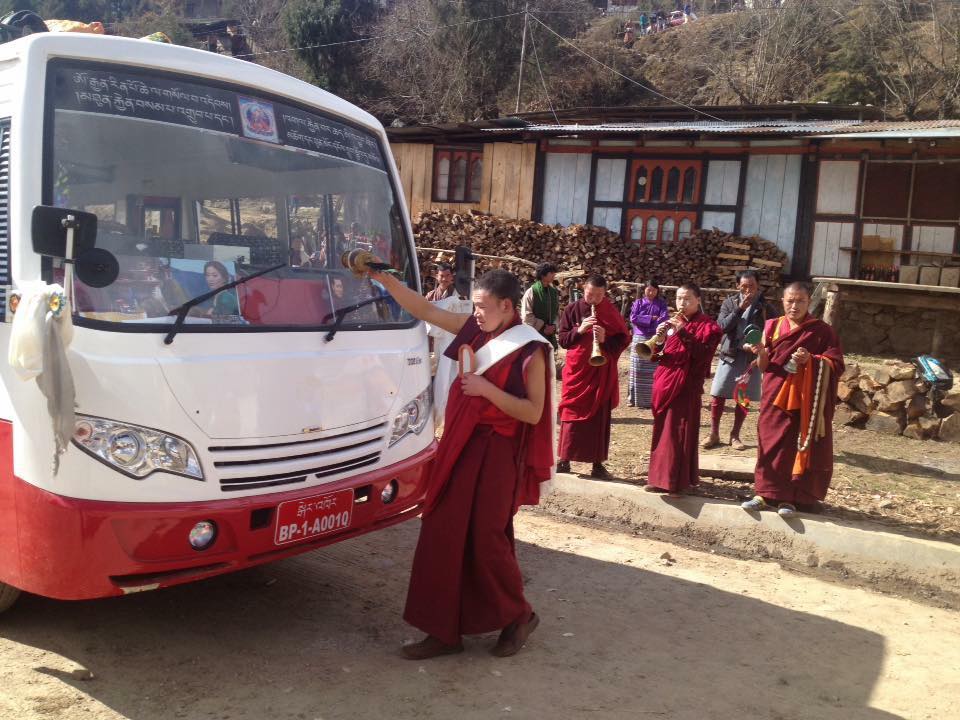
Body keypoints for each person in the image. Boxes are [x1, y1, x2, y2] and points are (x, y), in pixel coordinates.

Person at [365, 264, 554, 660]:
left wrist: (485, 389)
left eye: (484, 307)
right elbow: (427, 311)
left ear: (506, 305)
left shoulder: (530, 349)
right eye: (475, 306)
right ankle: (444, 631)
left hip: (498, 453)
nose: (477, 313)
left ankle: (519, 616)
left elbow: (533, 412)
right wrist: (387, 282)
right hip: (461, 445)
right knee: (442, 530)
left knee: (486, 538)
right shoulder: (475, 328)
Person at [742, 282, 844, 517]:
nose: (794, 306)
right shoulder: (772, 326)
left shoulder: (821, 330)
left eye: (800, 301)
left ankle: (790, 498)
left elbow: (836, 364)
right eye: (790, 301)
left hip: (803, 398)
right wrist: (761, 353)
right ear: (782, 302)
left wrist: (811, 359)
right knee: (770, 441)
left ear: (809, 302)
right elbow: (765, 367)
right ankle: (764, 493)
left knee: (795, 443)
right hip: (774, 393)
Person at [645, 283, 721, 496]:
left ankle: (675, 482)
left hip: (685, 386)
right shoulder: (669, 324)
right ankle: (657, 478)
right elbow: (658, 356)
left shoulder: (709, 327)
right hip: (665, 382)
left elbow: (703, 356)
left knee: (678, 433)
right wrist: (658, 341)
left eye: (687, 299)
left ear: (698, 300)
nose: (682, 303)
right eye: (679, 299)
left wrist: (684, 333)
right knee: (662, 432)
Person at [556, 275, 631, 479]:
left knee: (599, 415)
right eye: (590, 294)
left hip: (600, 370)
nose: (594, 298)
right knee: (572, 411)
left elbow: (623, 339)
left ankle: (597, 464)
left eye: (599, 295)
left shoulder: (610, 311)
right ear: (584, 289)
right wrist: (579, 330)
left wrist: (605, 340)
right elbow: (563, 340)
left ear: (604, 293)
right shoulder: (572, 309)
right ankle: (564, 459)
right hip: (577, 369)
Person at [704, 270, 780, 451]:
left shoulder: (765, 307)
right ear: (738, 285)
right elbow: (721, 327)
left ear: (758, 286)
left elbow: (775, 330)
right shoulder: (730, 303)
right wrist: (740, 309)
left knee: (742, 397)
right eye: (744, 286)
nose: (748, 290)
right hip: (730, 354)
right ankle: (713, 433)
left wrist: (762, 349)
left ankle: (735, 435)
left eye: (751, 286)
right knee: (718, 394)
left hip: (750, 359)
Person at [628, 281, 670, 409]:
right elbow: (633, 318)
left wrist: (647, 320)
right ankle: (634, 398)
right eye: (648, 290)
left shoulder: (661, 304)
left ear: (657, 291)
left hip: (655, 337)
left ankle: (653, 398)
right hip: (639, 337)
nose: (651, 292)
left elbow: (664, 319)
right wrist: (651, 318)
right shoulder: (638, 303)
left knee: (653, 366)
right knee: (637, 368)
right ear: (644, 290)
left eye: (653, 290)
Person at [521, 263, 560, 351]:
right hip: (535, 334)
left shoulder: (553, 292)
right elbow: (526, 315)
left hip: (550, 334)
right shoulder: (531, 292)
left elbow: (557, 312)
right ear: (543, 275)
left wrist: (553, 326)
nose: (554, 275)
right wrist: (543, 326)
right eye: (551, 273)